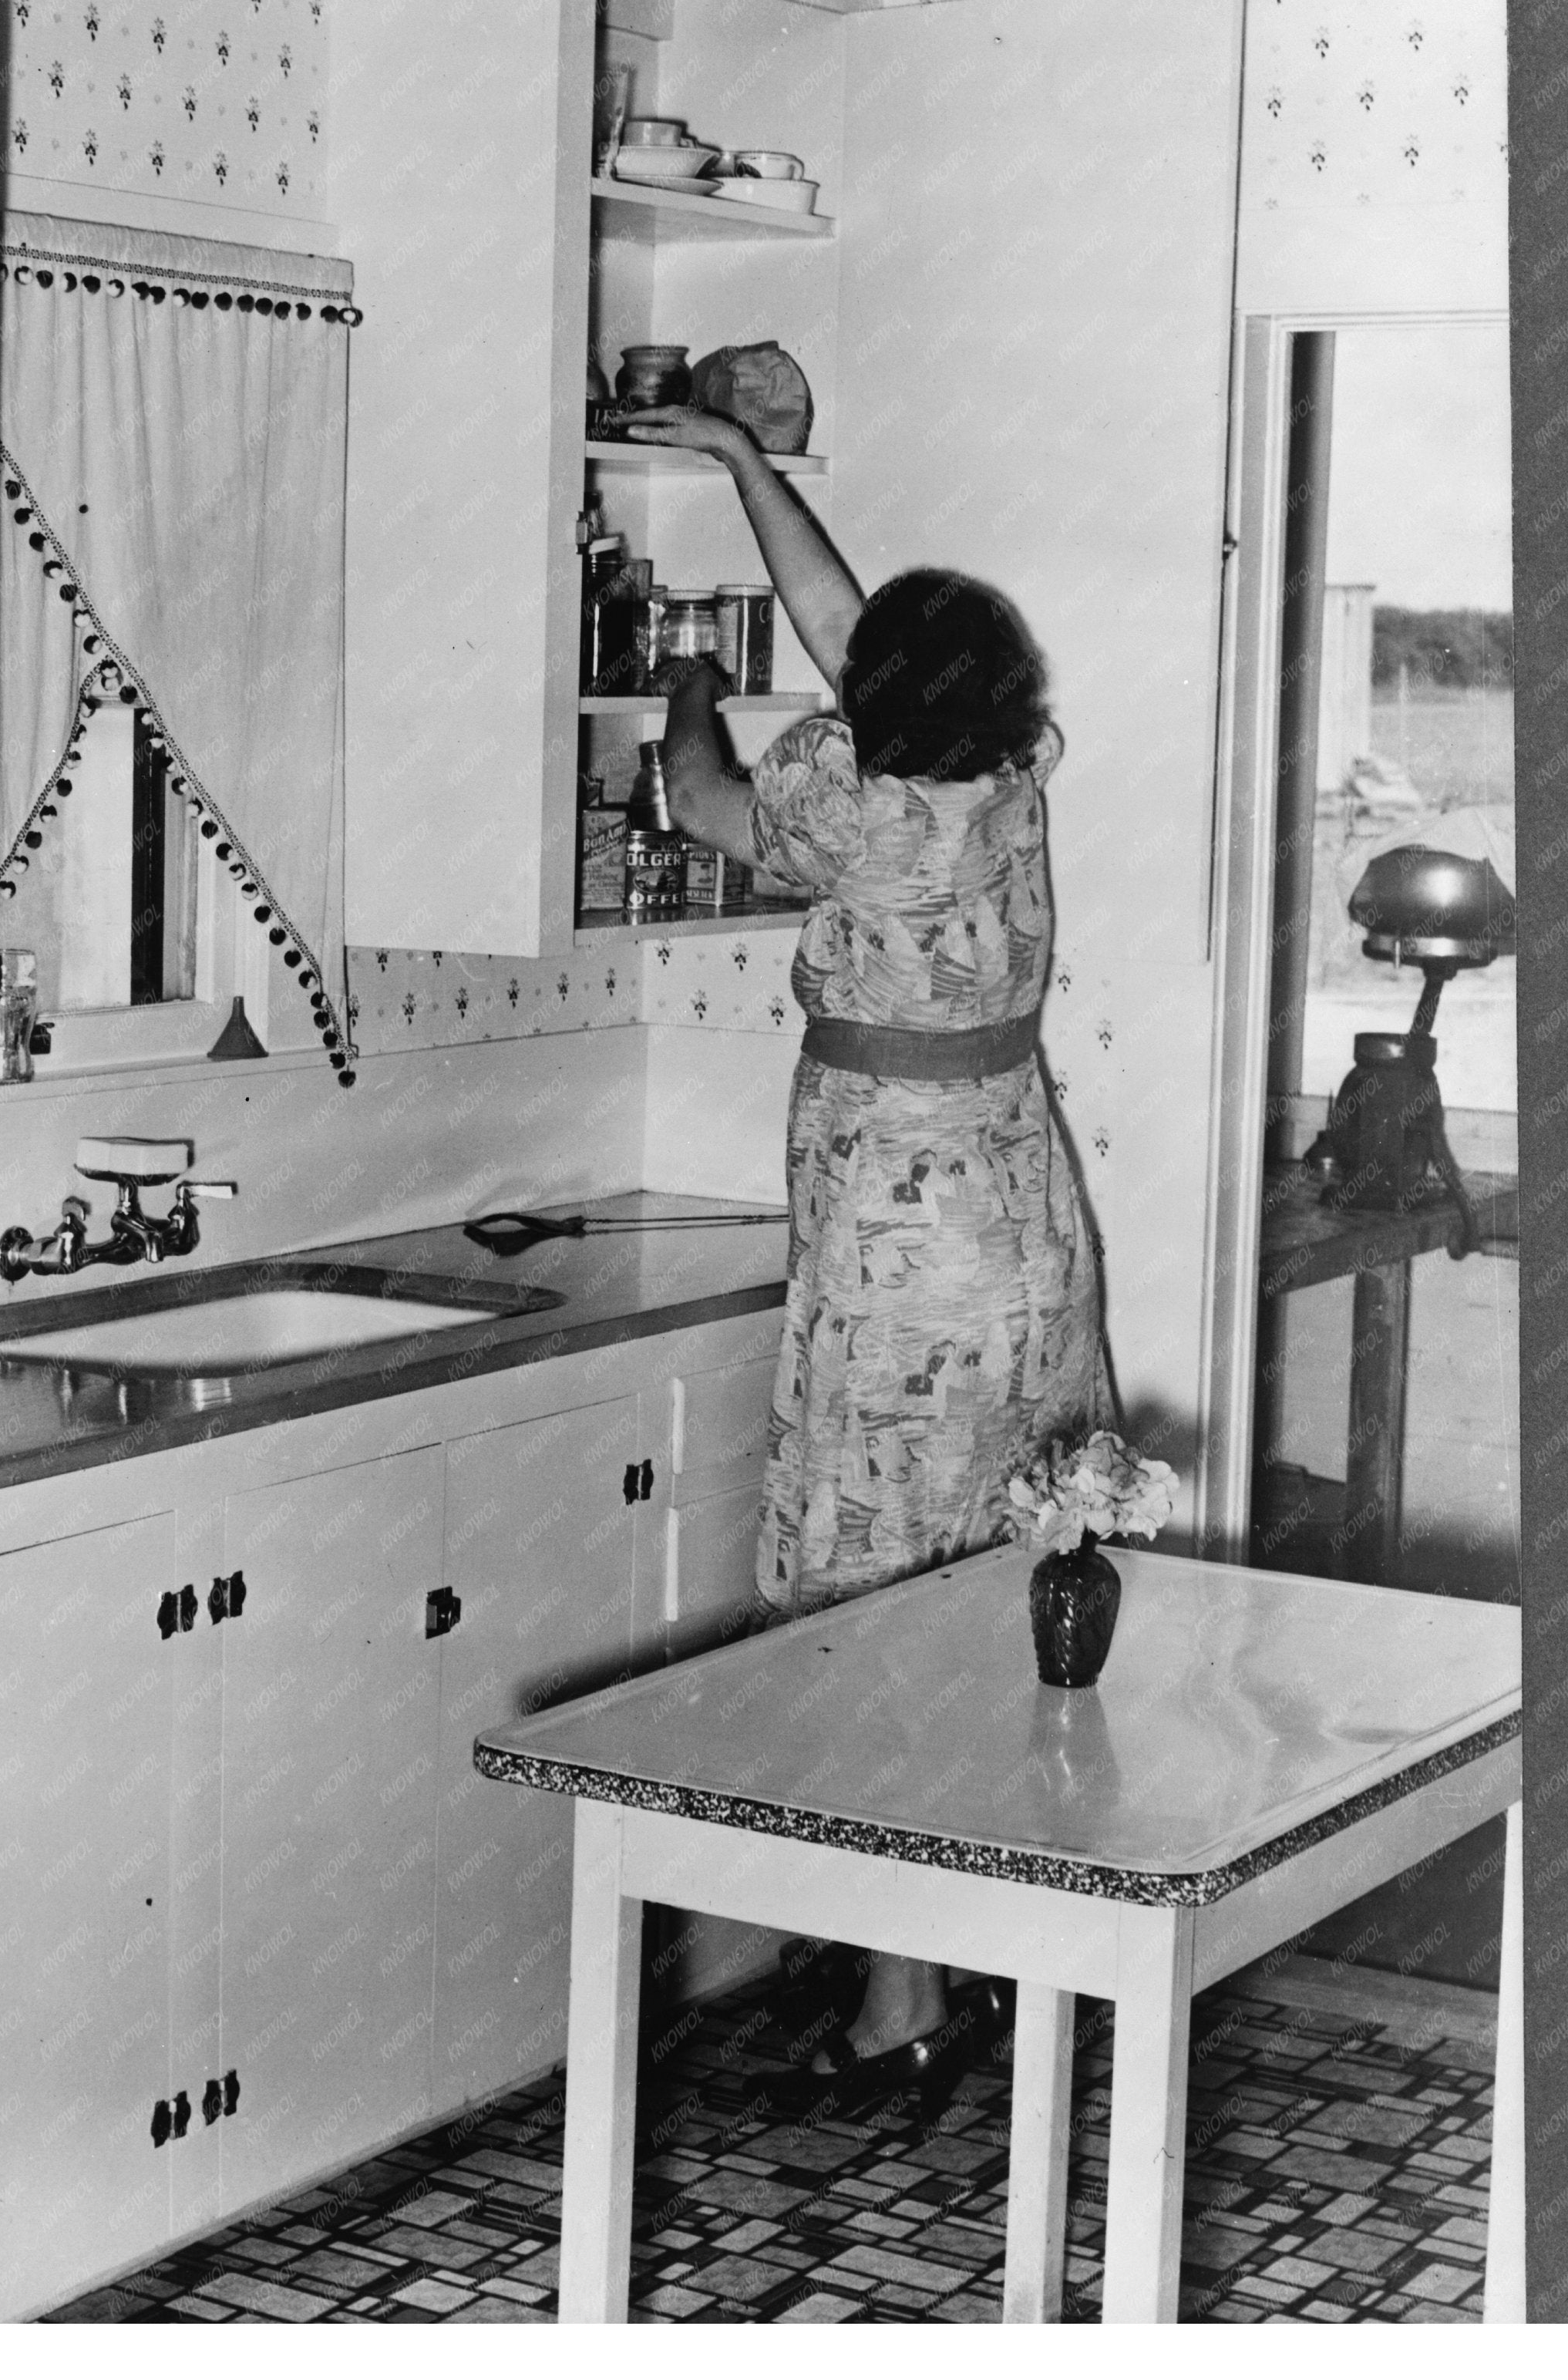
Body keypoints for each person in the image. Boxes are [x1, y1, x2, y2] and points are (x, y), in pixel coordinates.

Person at [632, 406, 1116, 2116]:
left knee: (865, 1616)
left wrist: (688, 679)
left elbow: (692, 798)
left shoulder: (848, 811)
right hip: (1024, 1240)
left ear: (874, 716)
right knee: (999, 1603)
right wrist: (741, 469)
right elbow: (858, 644)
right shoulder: (1002, 783)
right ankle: (998, 1954)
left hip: (893, 1255)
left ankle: (900, 1995)